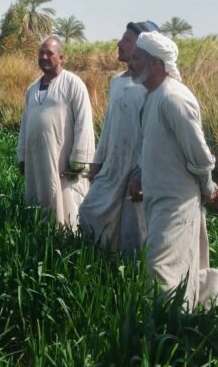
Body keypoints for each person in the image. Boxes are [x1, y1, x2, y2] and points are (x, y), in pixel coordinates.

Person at [129, 31, 218, 309]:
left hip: (177, 204)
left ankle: (173, 333)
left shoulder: (174, 99)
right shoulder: (152, 97)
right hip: (158, 199)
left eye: (137, 58)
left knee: (162, 270)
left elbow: (199, 155)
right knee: (175, 268)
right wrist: (139, 176)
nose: (130, 62)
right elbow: (153, 147)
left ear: (156, 65)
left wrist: (207, 187)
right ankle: (182, 322)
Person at [78, 22, 157, 254]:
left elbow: (152, 136)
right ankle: (100, 267)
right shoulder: (117, 81)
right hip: (113, 167)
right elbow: (110, 127)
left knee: (133, 231)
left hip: (136, 169)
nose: (119, 44)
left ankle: (129, 281)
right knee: (90, 212)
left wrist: (142, 174)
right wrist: (97, 162)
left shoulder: (150, 87)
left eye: (127, 41)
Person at [17, 36, 95, 230]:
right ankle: (41, 234)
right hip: (36, 159)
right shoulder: (32, 89)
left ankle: (68, 240)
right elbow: (25, 124)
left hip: (62, 160)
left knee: (66, 202)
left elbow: (84, 123)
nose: (44, 57)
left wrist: (79, 159)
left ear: (61, 58)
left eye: (49, 53)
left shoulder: (73, 84)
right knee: (38, 198)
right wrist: (22, 155)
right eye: (41, 53)